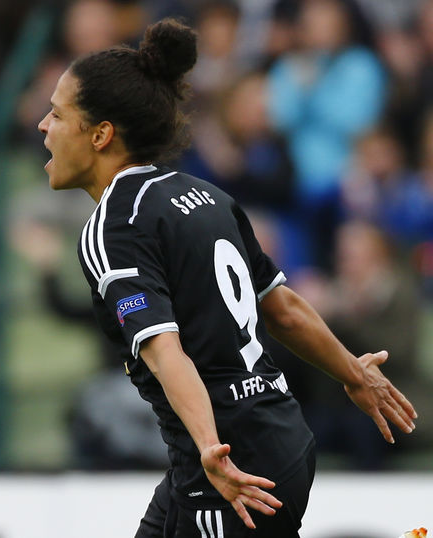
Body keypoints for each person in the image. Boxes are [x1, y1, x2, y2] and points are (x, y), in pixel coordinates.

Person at [37, 18, 417, 537]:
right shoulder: (207, 196)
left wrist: (212, 453)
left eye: (58, 114)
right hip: (275, 434)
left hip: (230, 463)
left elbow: (165, 350)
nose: (43, 126)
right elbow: (280, 307)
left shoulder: (113, 227)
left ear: (101, 135)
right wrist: (354, 373)